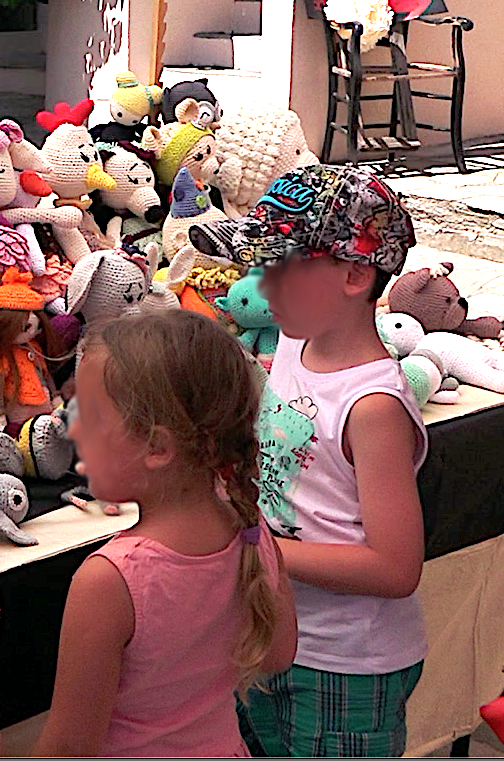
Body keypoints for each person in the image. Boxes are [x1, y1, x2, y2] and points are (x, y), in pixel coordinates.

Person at [188, 163, 427, 757]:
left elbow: (397, 569)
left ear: (353, 275)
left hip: (346, 665)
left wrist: (255, 549)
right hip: (273, 632)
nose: (262, 287)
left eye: (279, 269)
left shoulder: (373, 407)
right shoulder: (296, 343)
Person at [34, 309, 297, 756]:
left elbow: (68, 750)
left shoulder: (110, 581)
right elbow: (278, 654)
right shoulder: (249, 529)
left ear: (156, 447)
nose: (72, 427)